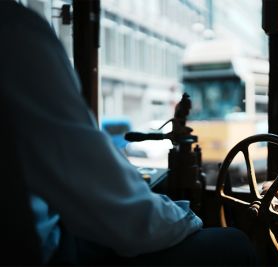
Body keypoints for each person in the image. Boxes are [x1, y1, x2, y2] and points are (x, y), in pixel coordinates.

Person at [0, 1, 259, 265]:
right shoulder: (16, 32)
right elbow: (124, 216)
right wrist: (188, 219)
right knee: (234, 244)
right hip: (45, 253)